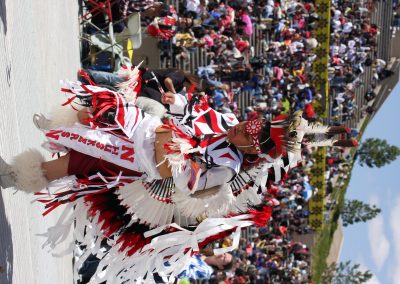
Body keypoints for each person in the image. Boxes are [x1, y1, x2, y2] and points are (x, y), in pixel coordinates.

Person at [0, 70, 356, 282]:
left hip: (140, 163)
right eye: (247, 126)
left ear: (252, 152)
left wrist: (172, 157)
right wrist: (172, 104)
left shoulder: (227, 168)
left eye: (248, 136)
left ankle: (17, 175)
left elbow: (186, 189)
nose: (241, 131)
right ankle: (51, 134)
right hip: (149, 129)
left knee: (82, 161)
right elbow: (192, 113)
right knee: (106, 107)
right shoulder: (227, 123)